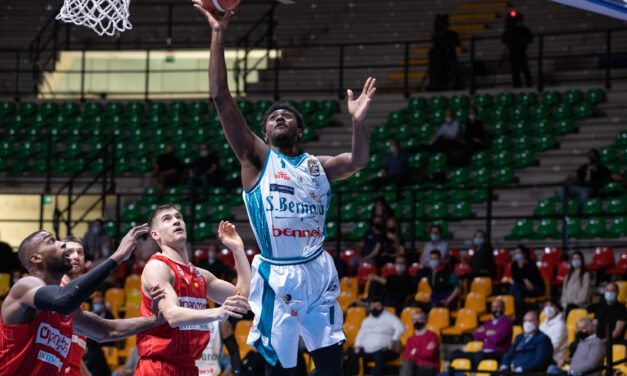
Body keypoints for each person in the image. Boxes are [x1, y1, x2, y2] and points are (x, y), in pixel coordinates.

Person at [197, 4, 376, 374]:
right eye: (272, 118)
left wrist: (358, 122)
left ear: (299, 131)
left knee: (331, 365)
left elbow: (358, 162)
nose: (279, 118)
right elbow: (221, 97)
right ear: (263, 134)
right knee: (281, 368)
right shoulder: (257, 158)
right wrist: (218, 33)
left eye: (287, 117)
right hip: (277, 274)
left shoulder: (316, 165)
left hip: (318, 269)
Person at [0, 226, 166, 375]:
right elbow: (64, 300)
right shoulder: (25, 286)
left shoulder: (70, 311)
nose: (63, 244)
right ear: (36, 258)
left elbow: (107, 331)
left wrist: (156, 320)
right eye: (51, 241)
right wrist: (117, 257)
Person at [136, 205, 251, 375]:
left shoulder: (199, 275)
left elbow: (243, 297)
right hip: (159, 367)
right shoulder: (157, 267)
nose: (176, 221)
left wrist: (238, 249)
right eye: (167, 219)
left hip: (188, 366)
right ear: (155, 234)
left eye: (178, 217)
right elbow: (172, 315)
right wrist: (218, 312)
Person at [60, 236, 93, 376]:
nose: (76, 256)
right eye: (69, 252)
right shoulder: (51, 292)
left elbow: (76, 356)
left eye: (80, 252)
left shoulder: (79, 300)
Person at [448, 299, 513, 368]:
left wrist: (484, 333)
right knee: (455, 354)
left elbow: (497, 339)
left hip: (498, 353)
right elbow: (476, 335)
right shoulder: (489, 322)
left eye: (498, 307)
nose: (495, 309)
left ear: (503, 308)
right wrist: (489, 333)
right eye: (493, 307)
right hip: (483, 352)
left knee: (479, 357)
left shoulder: (507, 321)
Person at [353, 296, 405, 376]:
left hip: (386, 350)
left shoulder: (390, 317)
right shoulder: (367, 320)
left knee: (379, 355)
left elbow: (400, 328)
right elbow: (361, 333)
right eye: (372, 306)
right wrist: (357, 346)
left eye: (377, 306)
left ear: (383, 306)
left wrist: (394, 340)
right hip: (367, 351)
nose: (374, 309)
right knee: (352, 354)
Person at [557, 148, 624, 203]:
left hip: (591, 188)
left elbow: (612, 175)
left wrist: (623, 179)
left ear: (597, 157)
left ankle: (580, 211)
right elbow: (574, 174)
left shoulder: (600, 168)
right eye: (590, 156)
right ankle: (568, 206)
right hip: (579, 186)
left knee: (584, 193)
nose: (591, 157)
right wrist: (565, 180)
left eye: (593, 156)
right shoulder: (584, 166)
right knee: (561, 188)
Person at [509, 245, 544, 321]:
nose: (517, 255)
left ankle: (516, 315)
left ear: (524, 254)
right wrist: (524, 279)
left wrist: (523, 276)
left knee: (515, 289)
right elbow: (516, 278)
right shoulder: (514, 264)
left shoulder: (531, 264)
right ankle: (518, 315)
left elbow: (533, 281)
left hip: (535, 288)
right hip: (522, 289)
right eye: (516, 253)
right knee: (517, 289)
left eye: (519, 253)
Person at [400, 310, 439, 376]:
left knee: (408, 367)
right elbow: (406, 356)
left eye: (419, 319)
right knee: (407, 364)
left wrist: (414, 352)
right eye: (414, 320)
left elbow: (429, 354)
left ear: (425, 320)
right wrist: (422, 351)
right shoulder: (410, 339)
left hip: (428, 367)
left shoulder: (432, 336)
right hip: (412, 365)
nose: (416, 322)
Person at [428, 13, 460, 91]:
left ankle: (452, 85)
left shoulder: (452, 34)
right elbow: (435, 43)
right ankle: (436, 85)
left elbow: (457, 43)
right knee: (436, 70)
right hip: (439, 58)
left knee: (452, 70)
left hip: (449, 57)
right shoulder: (436, 35)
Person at [501, 12, 533, 88]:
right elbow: (504, 39)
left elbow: (529, 39)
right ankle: (517, 86)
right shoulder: (509, 31)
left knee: (525, 70)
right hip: (513, 54)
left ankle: (529, 85)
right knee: (515, 72)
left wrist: (520, 39)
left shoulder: (523, 30)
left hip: (522, 53)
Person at [560, 251, 591, 317]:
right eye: (574, 259)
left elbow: (584, 294)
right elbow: (564, 293)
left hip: (580, 305)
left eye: (577, 259)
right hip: (568, 306)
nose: (575, 260)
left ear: (582, 260)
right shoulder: (567, 276)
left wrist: (573, 304)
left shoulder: (585, 275)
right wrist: (565, 305)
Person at [539, 299, 568, 365]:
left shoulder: (560, 325)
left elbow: (554, 346)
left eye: (551, 305)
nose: (548, 308)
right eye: (546, 306)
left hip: (555, 358)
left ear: (557, 308)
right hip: (542, 355)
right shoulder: (542, 324)